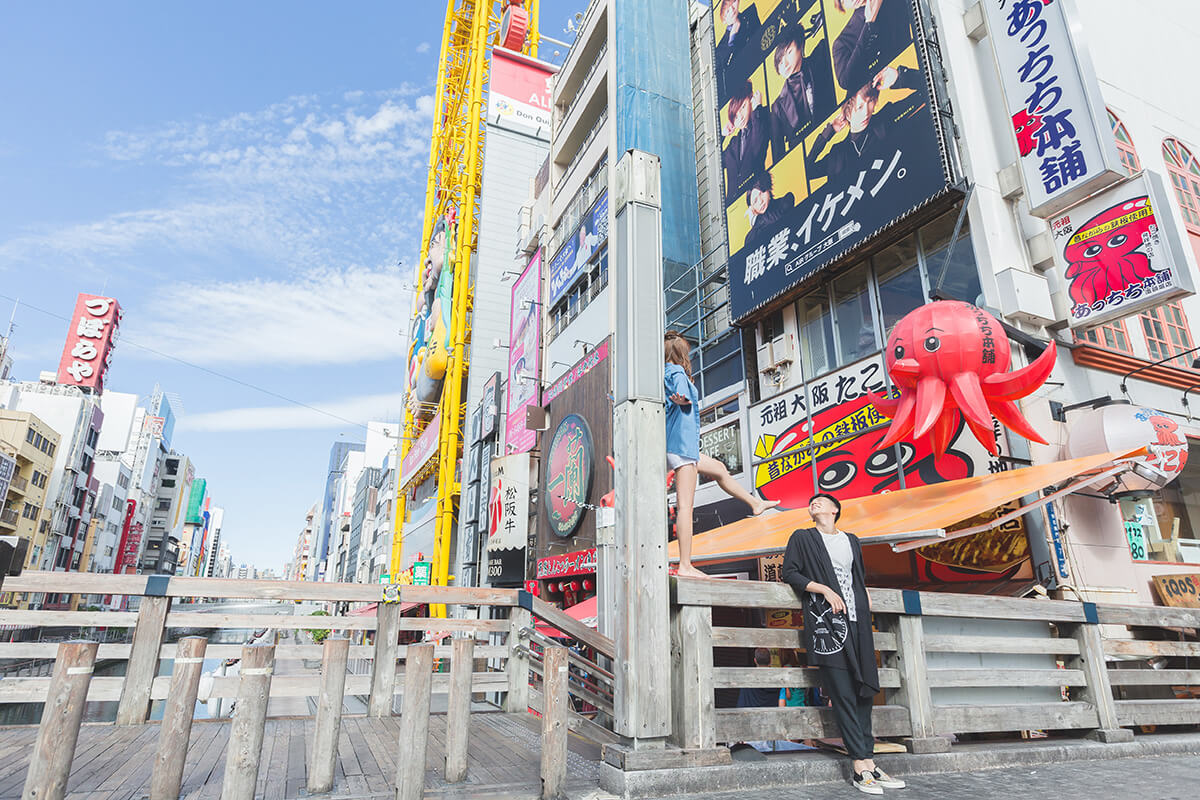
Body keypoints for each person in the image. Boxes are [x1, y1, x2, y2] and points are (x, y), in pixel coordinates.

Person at [780, 494, 906, 795]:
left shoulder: (851, 540)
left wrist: (863, 600)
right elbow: (790, 573)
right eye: (811, 501)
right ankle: (859, 766)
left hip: (857, 621)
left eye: (820, 501)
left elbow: (856, 577)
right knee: (843, 692)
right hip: (826, 622)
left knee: (864, 690)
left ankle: (870, 762)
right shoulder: (802, 537)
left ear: (835, 509)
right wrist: (824, 589)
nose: (814, 503)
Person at [665, 331, 779, 579]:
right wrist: (683, 400)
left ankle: (755, 503)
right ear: (681, 353)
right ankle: (685, 565)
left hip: (684, 446)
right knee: (685, 506)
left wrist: (682, 400)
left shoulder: (668, 372)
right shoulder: (675, 372)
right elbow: (682, 394)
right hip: (682, 447)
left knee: (719, 469)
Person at [769, 26, 835, 156]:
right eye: (780, 61)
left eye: (789, 52)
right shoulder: (777, 107)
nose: (785, 64)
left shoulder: (820, 56)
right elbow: (779, 156)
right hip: (806, 158)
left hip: (837, 134)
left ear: (800, 46)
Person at [830, 0, 913, 94]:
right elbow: (846, 82)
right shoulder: (841, 43)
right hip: (877, 91)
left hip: (907, 71)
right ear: (843, 6)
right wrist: (869, 24)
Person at [722, 81, 772, 199]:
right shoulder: (733, 144)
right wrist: (723, 135)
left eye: (743, 107)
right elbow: (718, 162)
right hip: (734, 203)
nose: (741, 117)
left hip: (755, 194)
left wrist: (757, 109)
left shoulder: (762, 121)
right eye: (736, 116)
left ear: (751, 100)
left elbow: (758, 145)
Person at [715, 0, 761, 97]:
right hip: (738, 85)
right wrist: (732, 36)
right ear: (724, 20)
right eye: (727, 11)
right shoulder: (720, 47)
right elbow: (721, 70)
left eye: (734, 2)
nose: (732, 9)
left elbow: (759, 39)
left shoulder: (750, 14)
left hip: (758, 70)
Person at [743, 172, 795, 251]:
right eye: (755, 201)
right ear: (752, 208)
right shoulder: (750, 236)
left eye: (761, 193)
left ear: (768, 190)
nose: (760, 201)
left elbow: (781, 212)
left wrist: (756, 219)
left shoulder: (784, 201)